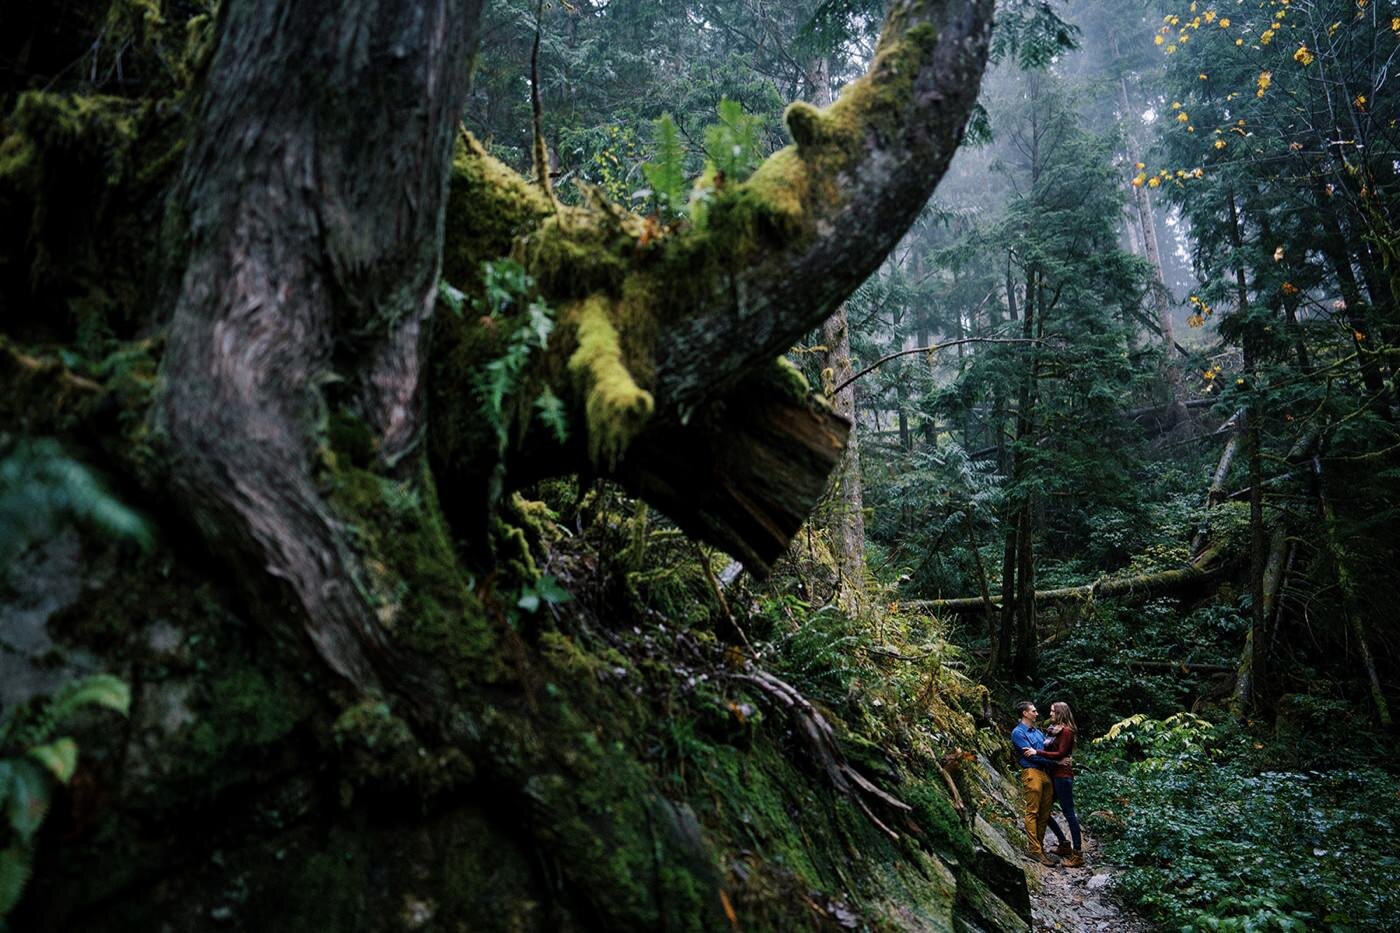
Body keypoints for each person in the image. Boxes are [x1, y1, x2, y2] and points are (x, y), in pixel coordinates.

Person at [1009, 701, 1069, 866]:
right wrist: (1055, 762)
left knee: (1044, 814)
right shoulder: (1018, 733)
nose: (1037, 714)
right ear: (1025, 713)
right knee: (1032, 811)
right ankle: (1034, 850)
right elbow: (1031, 756)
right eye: (1033, 711)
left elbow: (1047, 751)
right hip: (1032, 772)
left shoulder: (1037, 732)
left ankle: (1040, 848)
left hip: (1045, 773)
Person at [1029, 701, 1083, 868]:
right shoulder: (1054, 731)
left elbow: (1060, 753)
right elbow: (1055, 752)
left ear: (1060, 713)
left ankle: (1078, 854)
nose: (1050, 714)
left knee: (1069, 813)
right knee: (1043, 810)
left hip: (1063, 776)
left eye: (1053, 711)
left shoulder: (1066, 731)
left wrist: (1037, 752)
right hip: (1054, 774)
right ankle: (1063, 843)